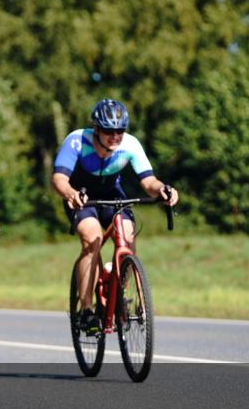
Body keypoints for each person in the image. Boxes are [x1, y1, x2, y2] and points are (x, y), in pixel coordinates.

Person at [52, 99, 179, 335]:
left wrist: (163, 189)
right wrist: (70, 193)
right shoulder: (77, 141)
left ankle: (120, 291)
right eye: (109, 131)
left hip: (112, 196)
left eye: (120, 131)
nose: (115, 136)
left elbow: (149, 181)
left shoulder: (130, 145)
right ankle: (87, 310)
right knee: (92, 238)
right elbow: (59, 178)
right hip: (81, 196)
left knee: (128, 236)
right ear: (97, 128)